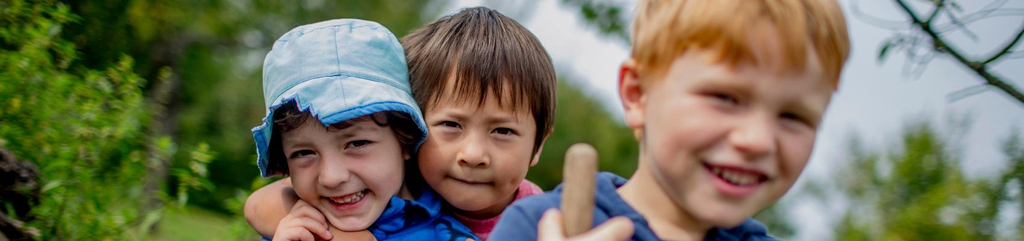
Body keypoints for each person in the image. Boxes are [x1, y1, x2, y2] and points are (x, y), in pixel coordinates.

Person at [490, 0, 851, 240]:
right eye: (724, 98)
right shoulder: (539, 227)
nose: (757, 140)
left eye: (793, 116)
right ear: (638, 95)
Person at [245, 7, 557, 240]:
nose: (473, 154)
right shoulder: (388, 177)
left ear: (538, 144)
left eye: (503, 130)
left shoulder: (543, 223)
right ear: (412, 128)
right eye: (451, 124)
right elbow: (263, 203)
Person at [247, 18, 478, 241]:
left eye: (357, 143)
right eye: (303, 153)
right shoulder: (294, 229)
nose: (331, 178)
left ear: (405, 139)